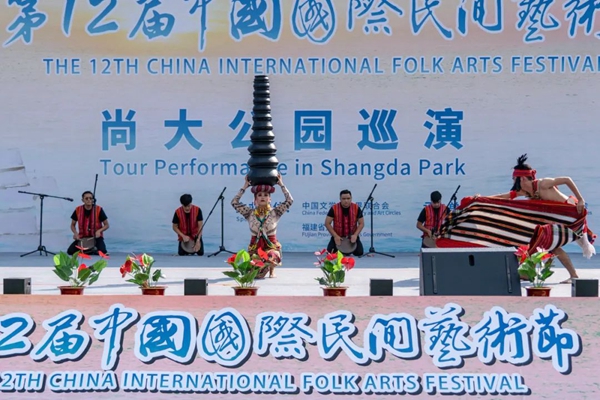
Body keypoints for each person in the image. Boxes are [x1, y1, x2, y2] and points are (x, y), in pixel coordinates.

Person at [486, 154, 591, 283]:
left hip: (572, 219)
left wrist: (580, 199)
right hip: (559, 221)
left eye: (514, 179)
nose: (513, 182)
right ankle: (573, 275)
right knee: (552, 245)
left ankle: (528, 271)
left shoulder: (543, 184)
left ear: (522, 178)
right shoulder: (525, 191)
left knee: (543, 239)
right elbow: (504, 196)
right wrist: (482, 198)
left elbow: (567, 179)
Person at [232, 173, 293, 278]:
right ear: (255, 200)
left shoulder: (276, 212)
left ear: (270, 199)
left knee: (271, 256)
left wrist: (281, 184)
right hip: (255, 248)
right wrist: (244, 186)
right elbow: (234, 202)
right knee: (257, 275)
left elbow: (289, 200)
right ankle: (261, 268)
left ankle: (272, 270)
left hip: (271, 247)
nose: (263, 197)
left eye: (266, 195)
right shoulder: (249, 213)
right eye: (259, 195)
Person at [67, 191, 109, 255]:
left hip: (96, 237)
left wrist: (99, 231)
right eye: (86, 198)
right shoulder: (78, 209)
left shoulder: (99, 209)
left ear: (93, 199)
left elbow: (106, 225)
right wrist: (75, 233)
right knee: (70, 251)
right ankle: (90, 250)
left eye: (90, 198)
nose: (89, 200)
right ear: (82, 200)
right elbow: (72, 225)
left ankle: (89, 250)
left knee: (102, 251)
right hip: (82, 237)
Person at [325, 190, 365, 256]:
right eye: (343, 199)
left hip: (352, 236)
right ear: (340, 199)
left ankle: (346, 251)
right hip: (338, 236)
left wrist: (355, 235)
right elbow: (327, 223)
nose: (346, 201)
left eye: (348, 198)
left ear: (351, 198)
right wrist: (335, 236)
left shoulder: (356, 208)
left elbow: (361, 223)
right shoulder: (334, 208)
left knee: (359, 253)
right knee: (330, 252)